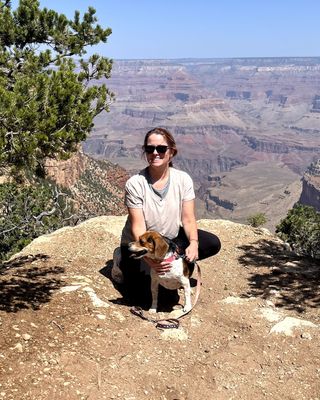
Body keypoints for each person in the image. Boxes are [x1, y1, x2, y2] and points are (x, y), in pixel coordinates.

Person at [115, 127, 221, 306]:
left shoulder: (183, 179)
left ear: (171, 152)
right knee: (163, 301)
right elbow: (138, 228)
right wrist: (150, 260)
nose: (155, 153)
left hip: (168, 241)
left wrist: (193, 243)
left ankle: (176, 267)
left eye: (161, 149)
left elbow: (188, 219)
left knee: (211, 243)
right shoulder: (135, 184)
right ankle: (120, 260)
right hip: (141, 245)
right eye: (150, 149)